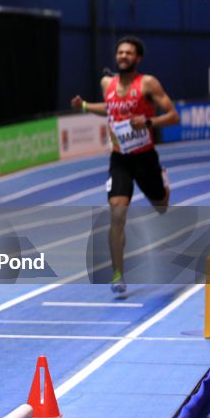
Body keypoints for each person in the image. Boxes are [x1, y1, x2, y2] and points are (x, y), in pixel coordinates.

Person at [71, 36, 179, 296]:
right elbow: (108, 108)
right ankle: (118, 274)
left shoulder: (148, 83)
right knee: (117, 214)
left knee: (161, 206)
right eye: (120, 52)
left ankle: (162, 182)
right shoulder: (107, 83)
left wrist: (149, 122)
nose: (123, 56)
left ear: (137, 58)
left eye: (128, 53)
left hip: (145, 157)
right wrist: (85, 106)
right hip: (119, 158)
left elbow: (174, 116)